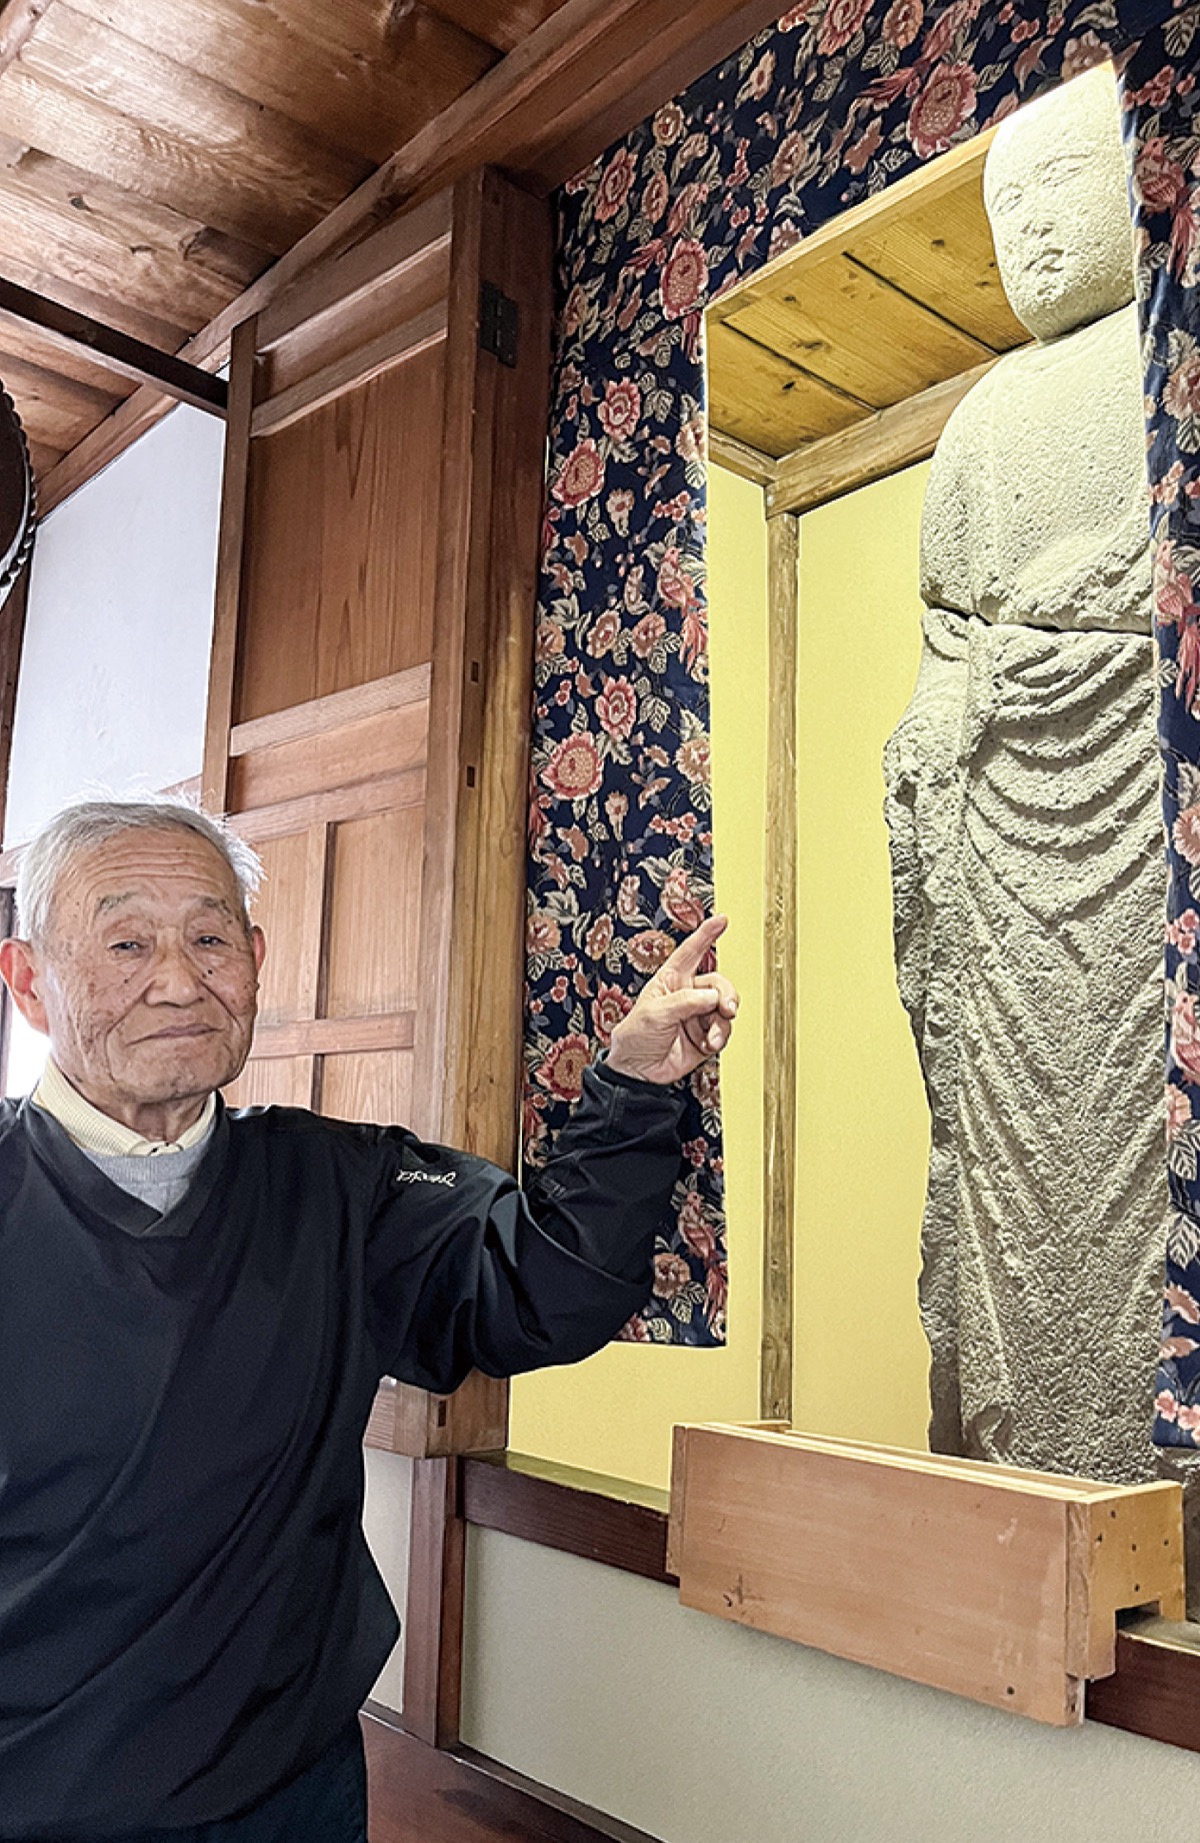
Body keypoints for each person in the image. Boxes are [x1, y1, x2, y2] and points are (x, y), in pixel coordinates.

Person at [0, 798, 738, 1843]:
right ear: (29, 981)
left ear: (255, 960)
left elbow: (548, 1285)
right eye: (125, 941)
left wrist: (633, 1089)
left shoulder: (342, 1185)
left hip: (286, 1789)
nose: (178, 979)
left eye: (211, 937)